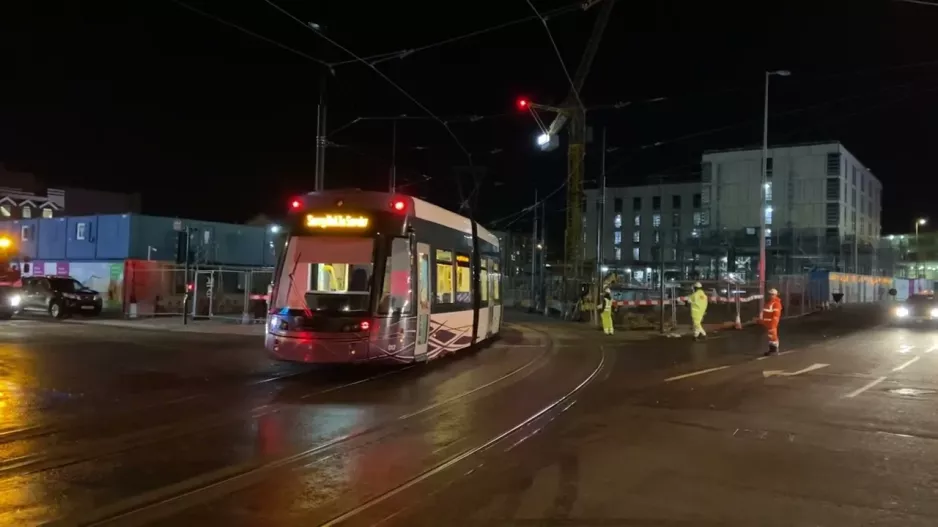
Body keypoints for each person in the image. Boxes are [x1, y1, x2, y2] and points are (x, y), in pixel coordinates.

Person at [761, 288, 783, 355]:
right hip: (768, 323)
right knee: (770, 336)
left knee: (773, 336)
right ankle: (771, 350)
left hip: (771, 323)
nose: (770, 295)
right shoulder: (770, 302)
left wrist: (773, 324)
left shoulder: (776, 303)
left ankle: (774, 350)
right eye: (770, 294)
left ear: (775, 295)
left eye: (772, 294)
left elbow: (776, 316)